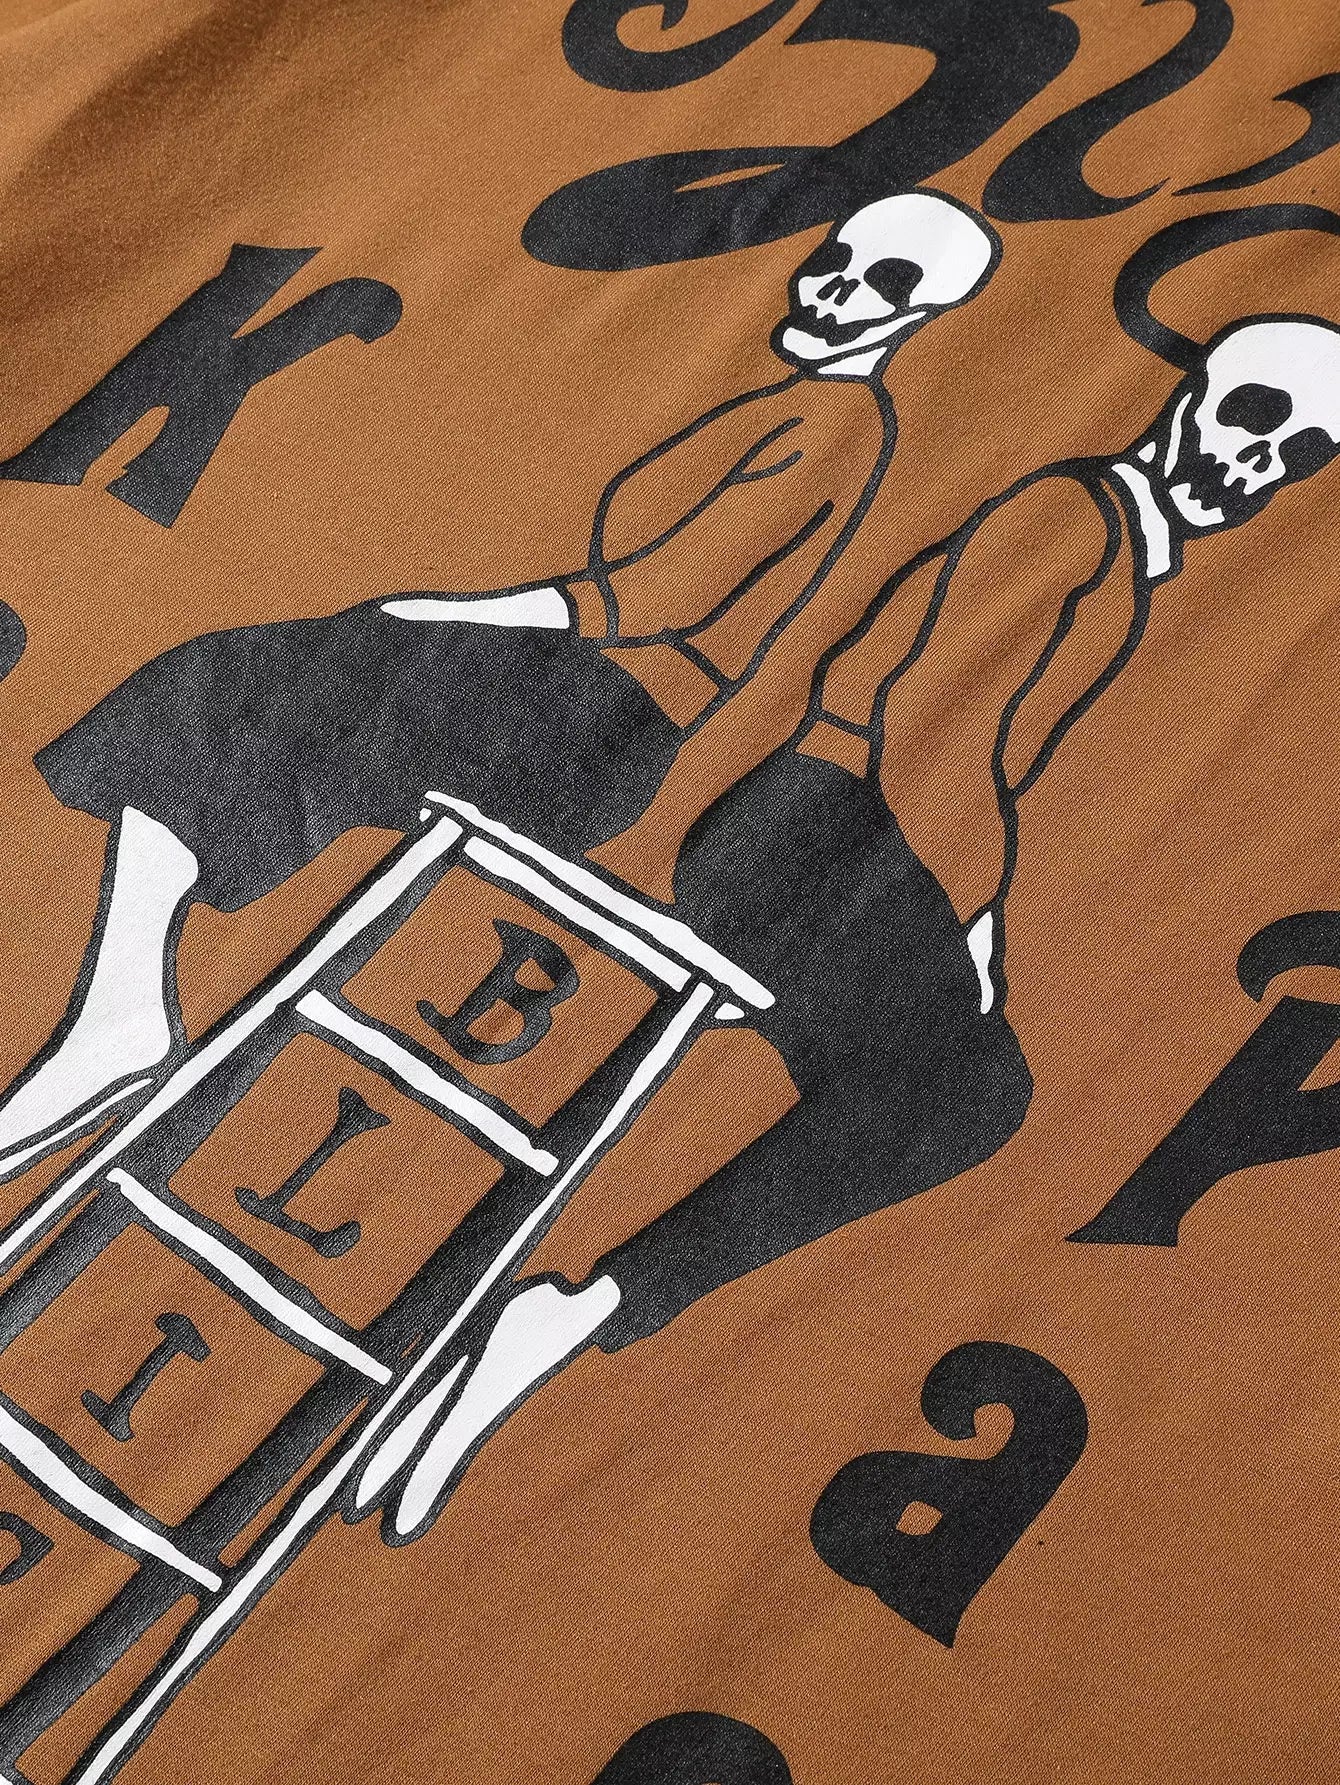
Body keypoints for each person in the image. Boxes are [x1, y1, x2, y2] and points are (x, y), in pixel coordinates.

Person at [373, 312, 1340, 1542]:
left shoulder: (1110, 546)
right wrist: (974, 921)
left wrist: (971, 924)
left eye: (1297, 459)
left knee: (955, 1094)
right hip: (817, 834)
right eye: (1251, 421)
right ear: (1192, 397)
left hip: (850, 843)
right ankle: (586, 1306)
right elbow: (938, 721)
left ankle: (583, 1309)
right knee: (969, 1092)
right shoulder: (1071, 516)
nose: (1253, 466)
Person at [0, 191, 1001, 1180]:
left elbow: (647, 598)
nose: (830, 291)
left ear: (920, 315)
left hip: (595, 720)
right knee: (230, 691)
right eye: (830, 261)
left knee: (247, 682)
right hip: (560, 690)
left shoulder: (835, 425)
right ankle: (121, 1009)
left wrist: (446, 611)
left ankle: (119, 1018)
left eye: (881, 283)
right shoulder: (790, 404)